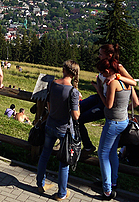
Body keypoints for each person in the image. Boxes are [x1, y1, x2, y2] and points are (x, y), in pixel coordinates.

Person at [79, 44, 136, 154]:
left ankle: (87, 146)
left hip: (106, 101)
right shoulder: (103, 66)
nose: (99, 56)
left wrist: (116, 76)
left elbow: (133, 82)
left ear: (109, 55)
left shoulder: (118, 67)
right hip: (99, 97)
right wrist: (98, 85)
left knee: (80, 119)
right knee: (76, 110)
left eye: (101, 54)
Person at [37, 60, 80, 201]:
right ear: (74, 74)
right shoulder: (73, 91)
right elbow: (75, 115)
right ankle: (61, 193)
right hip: (64, 129)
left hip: (50, 124)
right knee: (64, 162)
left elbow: (48, 103)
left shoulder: (53, 83)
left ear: (63, 70)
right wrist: (77, 103)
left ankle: (40, 183)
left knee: (44, 155)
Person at [95, 58, 138, 200]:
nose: (103, 76)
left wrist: (99, 90)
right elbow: (134, 83)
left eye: (103, 73)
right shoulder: (127, 81)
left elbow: (108, 105)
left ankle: (107, 190)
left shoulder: (113, 83)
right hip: (123, 121)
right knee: (113, 152)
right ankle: (113, 181)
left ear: (108, 71)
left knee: (102, 153)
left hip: (113, 122)